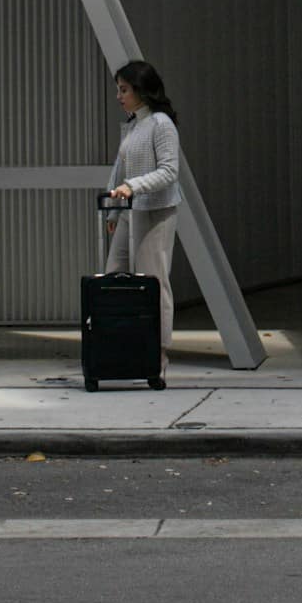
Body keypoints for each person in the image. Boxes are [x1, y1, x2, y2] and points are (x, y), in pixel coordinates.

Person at [104, 60, 183, 370]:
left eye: (124, 90)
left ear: (140, 90)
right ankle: (120, 344)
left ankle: (159, 353)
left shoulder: (161, 124)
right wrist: (113, 211)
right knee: (114, 276)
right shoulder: (135, 124)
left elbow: (169, 171)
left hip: (156, 211)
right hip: (130, 212)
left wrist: (132, 187)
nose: (119, 96)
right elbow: (119, 169)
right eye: (118, 90)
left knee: (154, 282)